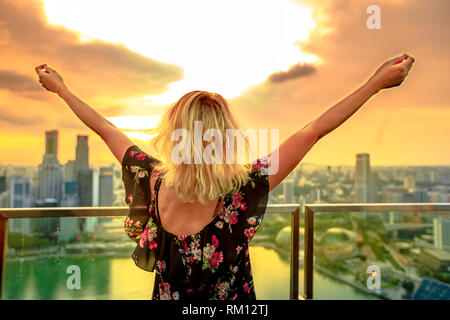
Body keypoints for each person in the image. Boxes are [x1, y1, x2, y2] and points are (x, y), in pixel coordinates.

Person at [34, 53, 414, 300]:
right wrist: (373, 84)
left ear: (174, 132)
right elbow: (313, 130)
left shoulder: (153, 179)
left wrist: (62, 89)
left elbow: (103, 128)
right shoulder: (241, 189)